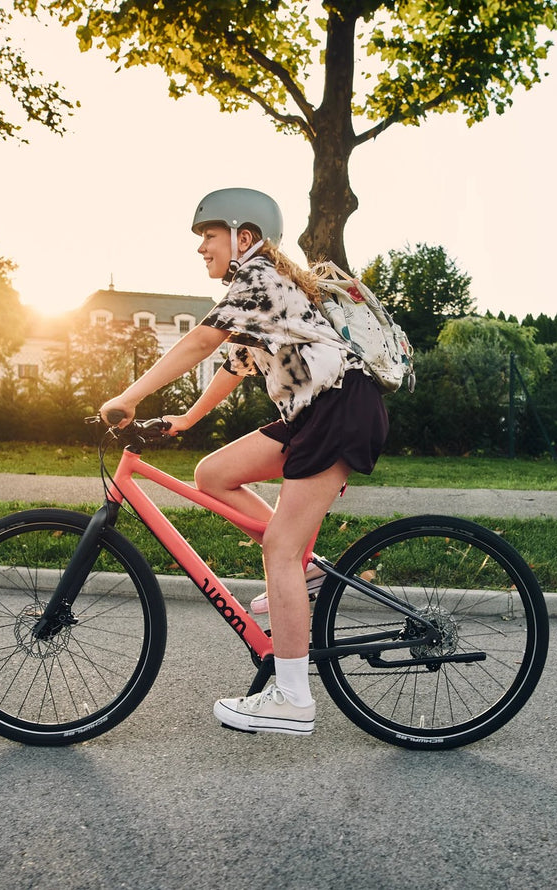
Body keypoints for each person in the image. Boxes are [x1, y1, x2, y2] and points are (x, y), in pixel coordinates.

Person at [99, 188, 389, 735]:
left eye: (208, 236)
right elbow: (234, 364)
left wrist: (129, 396)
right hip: (315, 412)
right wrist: (187, 417)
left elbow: (200, 343)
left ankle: (293, 698)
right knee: (212, 474)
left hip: (337, 409)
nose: (200, 248)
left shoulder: (258, 279)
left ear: (244, 237)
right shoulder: (257, 290)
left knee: (279, 548)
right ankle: (305, 577)